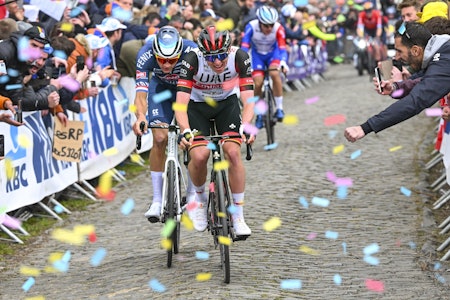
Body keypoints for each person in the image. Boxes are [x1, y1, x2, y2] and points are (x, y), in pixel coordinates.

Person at [176, 26, 255, 237]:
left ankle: (238, 215)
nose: (217, 62)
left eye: (221, 56)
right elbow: (181, 105)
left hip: (226, 105)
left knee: (233, 153)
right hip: (197, 106)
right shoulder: (192, 59)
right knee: (200, 155)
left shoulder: (240, 56)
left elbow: (248, 101)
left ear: (228, 51)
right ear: (203, 53)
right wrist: (185, 131)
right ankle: (200, 201)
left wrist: (247, 126)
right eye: (211, 58)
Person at [132, 26, 198, 223]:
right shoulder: (145, 54)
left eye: (172, 60)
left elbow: (200, 88)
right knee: (159, 138)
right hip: (160, 90)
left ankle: (193, 194)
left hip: (187, 90)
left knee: (192, 140)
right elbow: (141, 95)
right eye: (161, 60)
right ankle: (157, 199)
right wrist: (141, 116)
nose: (167, 65)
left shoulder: (191, 52)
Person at [344, 21, 450, 143]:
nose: (397, 57)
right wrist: (395, 87)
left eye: (399, 51)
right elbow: (421, 81)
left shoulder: (444, 59)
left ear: (416, 50)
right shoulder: (442, 52)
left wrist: (365, 128)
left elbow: (416, 101)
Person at [241, 5, 288, 130]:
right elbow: (244, 48)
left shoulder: (279, 28)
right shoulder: (251, 26)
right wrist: (242, 63)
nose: (269, 28)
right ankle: (260, 114)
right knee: (258, 83)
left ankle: (279, 108)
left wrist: (283, 63)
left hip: (273, 54)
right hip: (257, 56)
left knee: (274, 73)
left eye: (272, 25)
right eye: (266, 25)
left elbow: (283, 48)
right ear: (260, 22)